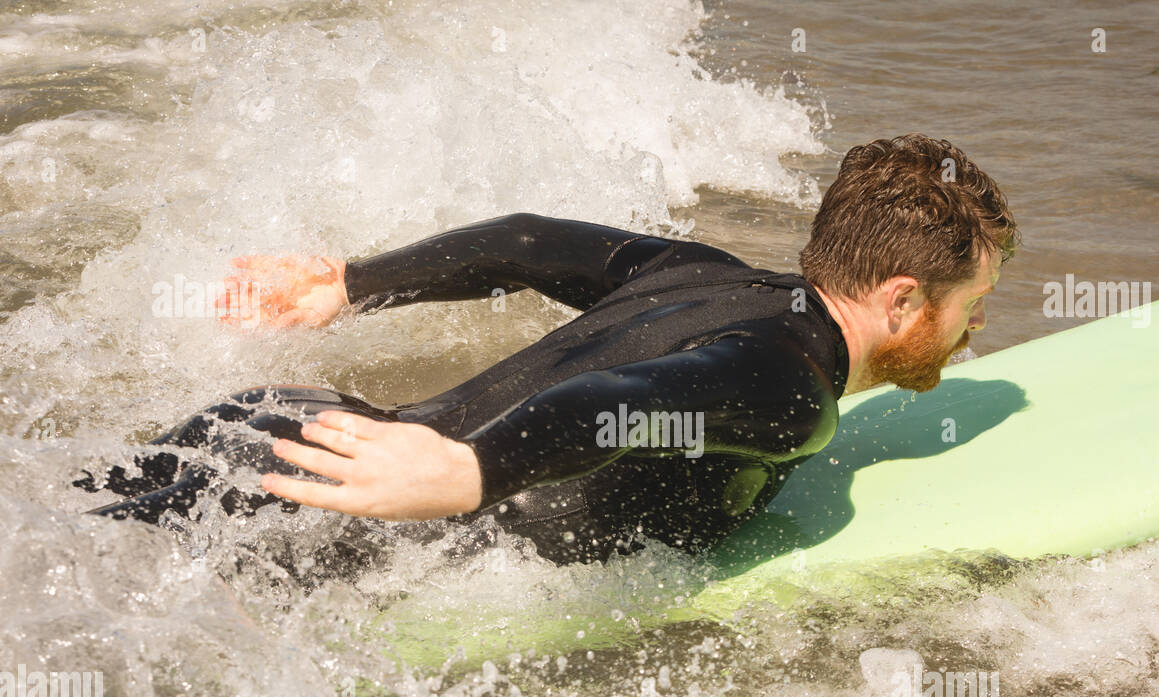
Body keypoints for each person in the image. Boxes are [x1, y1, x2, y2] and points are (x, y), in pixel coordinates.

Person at [76, 133, 1018, 566]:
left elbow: (526, 241)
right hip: (342, 513)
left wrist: (350, 284)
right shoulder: (794, 394)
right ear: (901, 300)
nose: (976, 331)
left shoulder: (702, 269)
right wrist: (469, 471)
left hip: (288, 420)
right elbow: (640, 401)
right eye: (970, 307)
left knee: (55, 541)